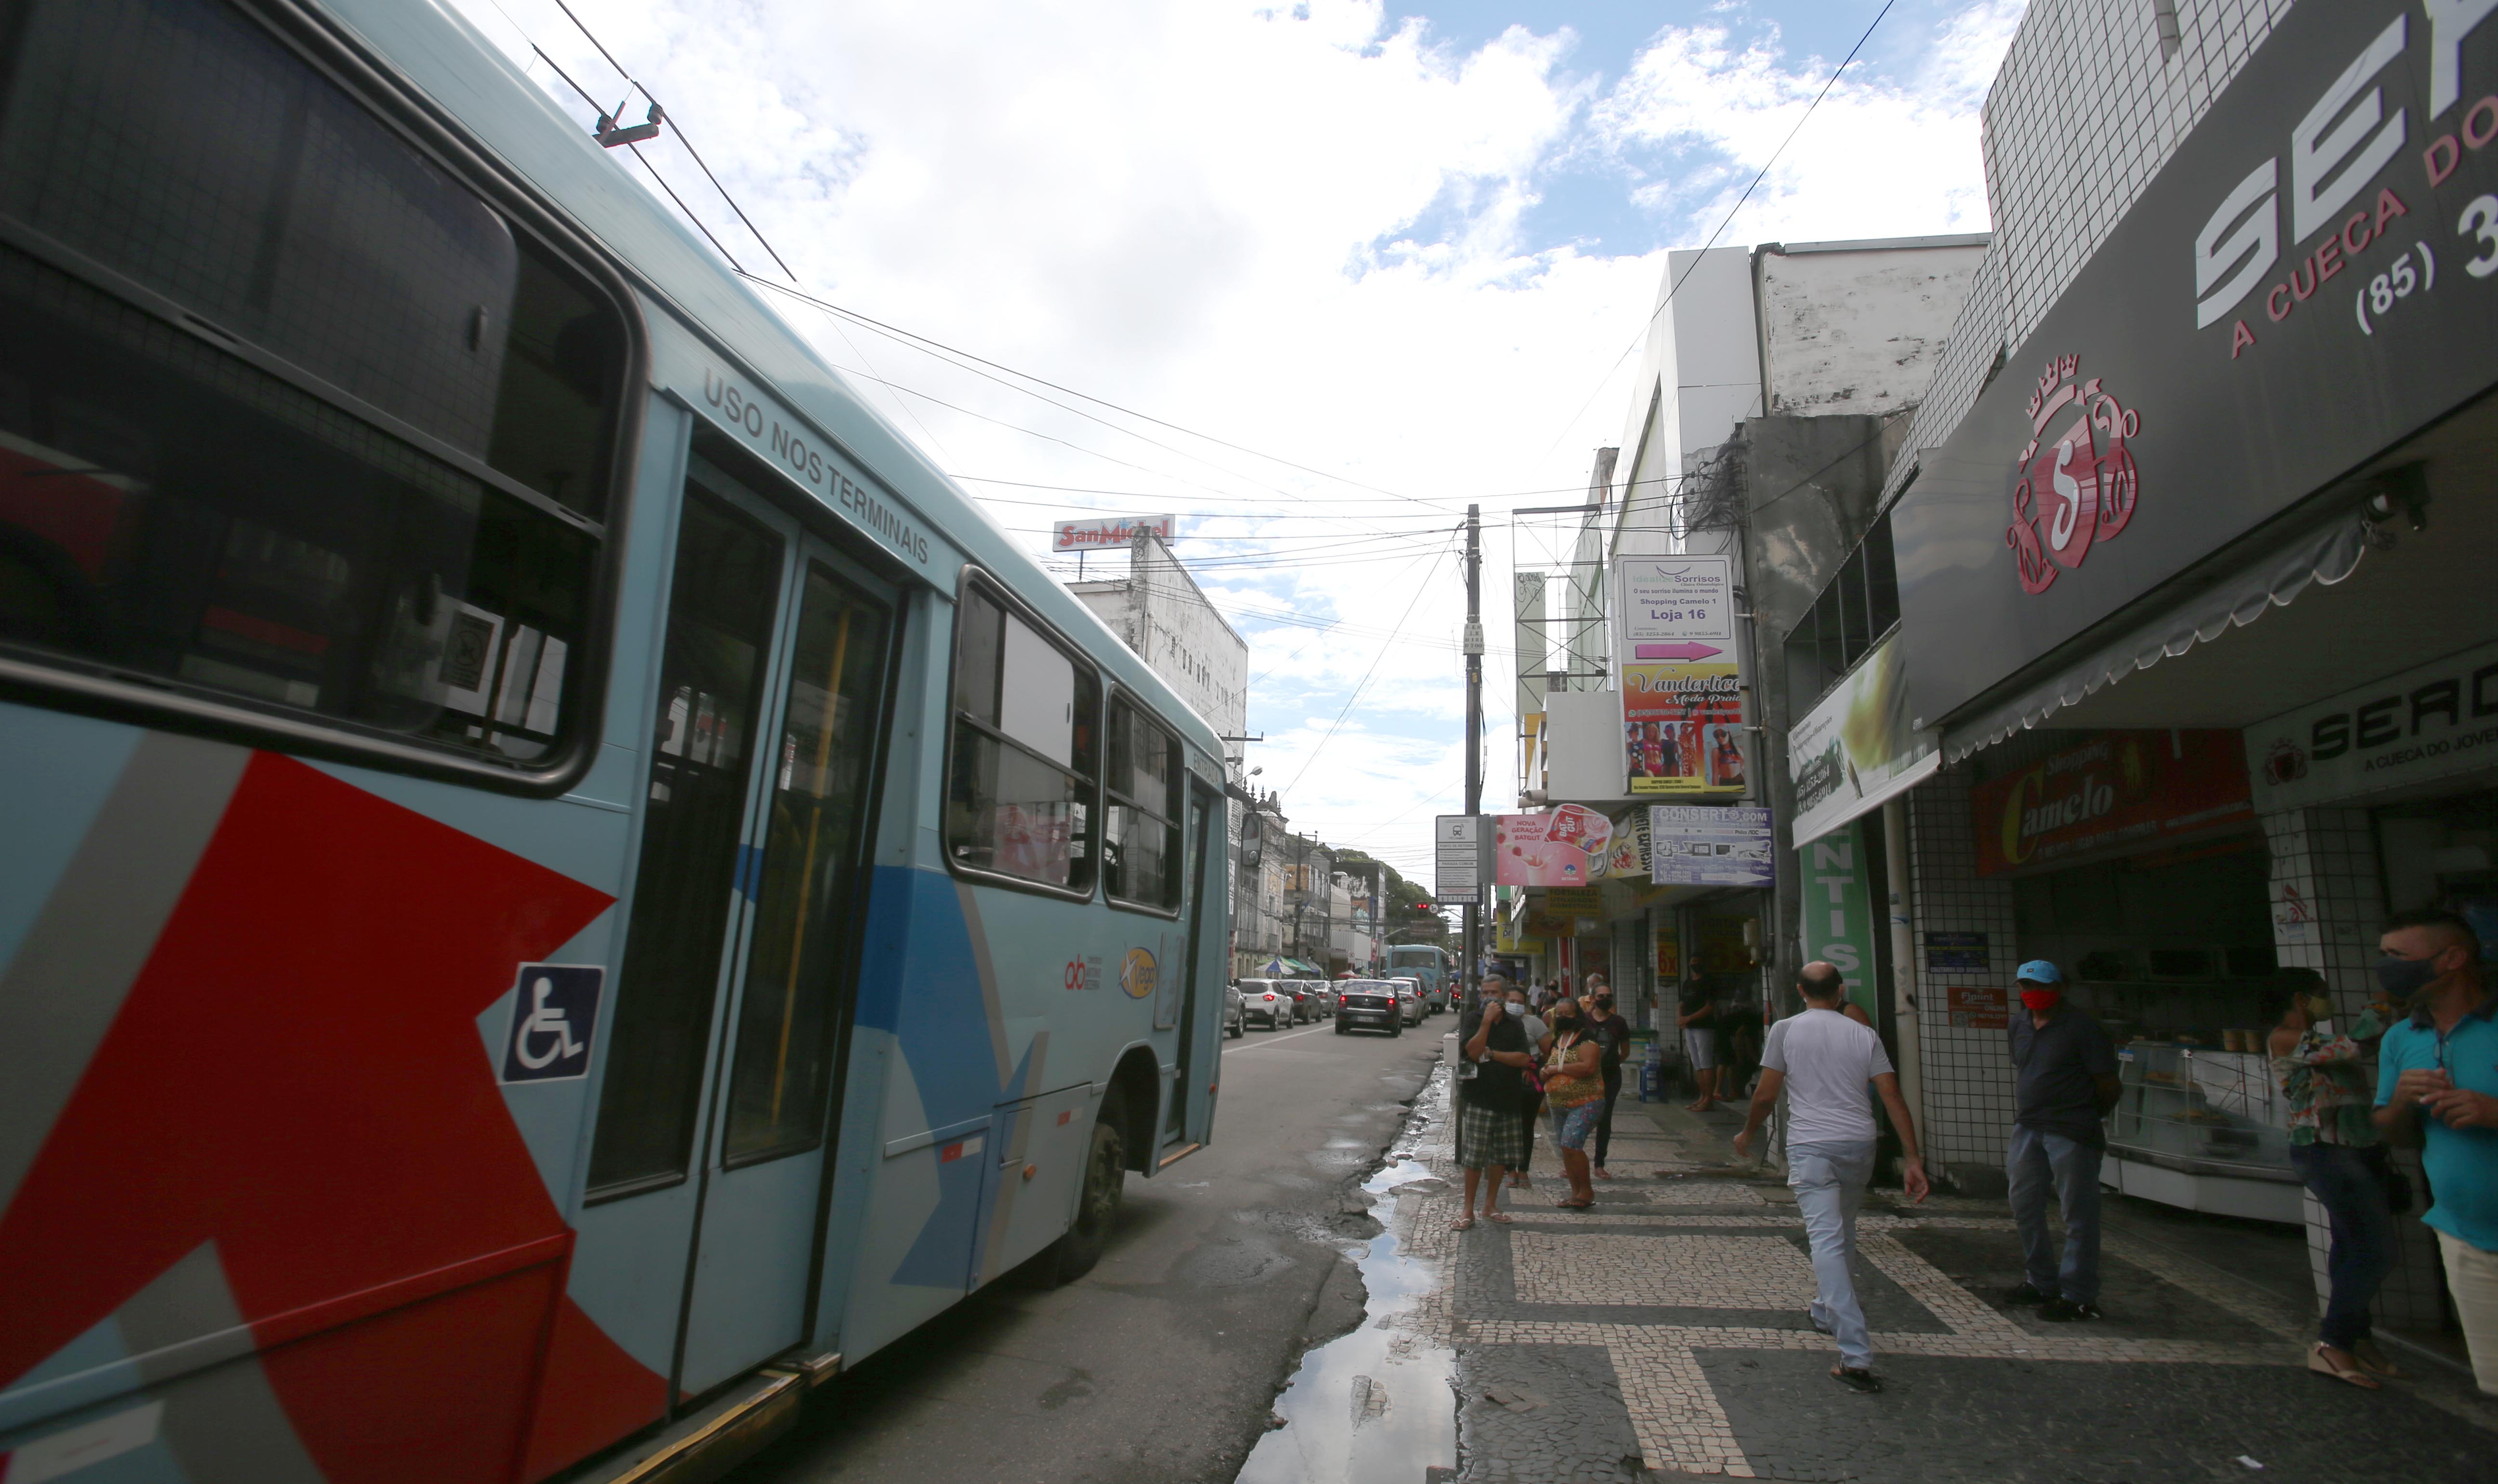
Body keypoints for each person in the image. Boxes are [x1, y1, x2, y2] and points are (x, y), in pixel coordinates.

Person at [1734, 962, 1928, 1393]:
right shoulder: (1863, 1034)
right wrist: (1913, 1157)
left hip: (1812, 1145)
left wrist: (1749, 1132)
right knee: (1845, 1230)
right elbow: (1891, 1094)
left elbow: (1766, 1094)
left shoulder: (1786, 1030)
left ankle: (1855, 1350)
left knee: (1825, 1239)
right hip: (1860, 1144)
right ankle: (1824, 1310)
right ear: (1839, 992)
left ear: (1801, 991)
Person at [2374, 908, 2498, 1396]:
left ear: (2453, 958)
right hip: (2464, 1236)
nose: (2387, 967)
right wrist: (2401, 1102)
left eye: (2398, 955)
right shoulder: (2402, 1038)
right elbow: (2395, 1133)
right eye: (2383, 955)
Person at [2267, 969, 2399, 1387]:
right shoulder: (2284, 1038)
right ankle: (2334, 1342)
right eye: (2322, 995)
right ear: (2302, 999)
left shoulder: (2313, 1041)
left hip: (2357, 1149)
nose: (2328, 1002)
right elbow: (2354, 1046)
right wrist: (2382, 1002)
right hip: (2323, 1149)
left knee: (2352, 1242)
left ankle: (2356, 1337)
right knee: (2375, 1249)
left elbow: (2359, 1047)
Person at [2004, 961, 2120, 1322]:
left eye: (2039, 985)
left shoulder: (2084, 1028)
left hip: (2071, 1130)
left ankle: (2079, 1294)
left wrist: (2086, 1115)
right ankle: (2040, 1281)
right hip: (2029, 1126)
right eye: (2025, 985)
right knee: (2024, 1204)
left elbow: (2108, 1084)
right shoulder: (2019, 1024)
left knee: (2078, 1213)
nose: (2031, 992)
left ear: (2060, 987)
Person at [1456, 976, 1534, 1229]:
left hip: (1509, 1098)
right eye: (1484, 993)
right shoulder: (1474, 1019)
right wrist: (1487, 1022)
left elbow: (1524, 1059)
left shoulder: (1515, 1024)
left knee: (1500, 1157)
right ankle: (1468, 1209)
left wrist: (1495, 1054)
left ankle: (1490, 1205)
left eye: (1494, 993)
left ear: (1504, 996)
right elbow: (1474, 1053)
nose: (1489, 997)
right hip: (1479, 1097)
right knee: (1474, 1156)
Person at [1540, 996, 1608, 1209]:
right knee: (1566, 1148)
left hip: (1586, 1102)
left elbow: (1587, 1067)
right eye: (1558, 1014)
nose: (1562, 1018)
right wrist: (1545, 1072)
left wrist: (1557, 1069)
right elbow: (1550, 1065)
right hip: (1559, 1105)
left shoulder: (1587, 1040)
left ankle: (1586, 1191)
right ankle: (1575, 1192)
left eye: (1567, 1014)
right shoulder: (1558, 1040)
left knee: (1571, 1143)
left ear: (1577, 1015)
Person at [1504, 984, 1550, 1190]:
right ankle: (1509, 1171)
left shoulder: (1535, 1024)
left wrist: (1535, 1071)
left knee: (1526, 1127)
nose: (1515, 1006)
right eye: (1511, 1002)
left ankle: (1523, 1170)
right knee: (1505, 1127)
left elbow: (1548, 1052)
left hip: (1528, 1083)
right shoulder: (1496, 1023)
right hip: (1503, 1082)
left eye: (1519, 1003)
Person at [1586, 986, 1633, 1179]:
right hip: (1586, 1076)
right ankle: (1573, 1161)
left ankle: (1599, 1163)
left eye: (1608, 996)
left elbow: (1625, 1051)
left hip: (1611, 1076)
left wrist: (1613, 1063)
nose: (1605, 999)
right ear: (1592, 998)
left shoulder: (1619, 1022)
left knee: (1604, 1119)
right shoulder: (1584, 1020)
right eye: (1601, 996)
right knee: (1580, 1118)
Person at [1679, 978, 1720, 1112]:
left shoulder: (1708, 983)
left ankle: (1709, 1099)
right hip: (1689, 1028)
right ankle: (1702, 1096)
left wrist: (1689, 1018)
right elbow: (1681, 1003)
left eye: (1697, 961)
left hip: (1704, 1027)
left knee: (1706, 1063)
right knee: (1697, 1064)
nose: (1694, 964)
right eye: (1693, 961)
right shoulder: (1688, 983)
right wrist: (1681, 1018)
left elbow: (1710, 1007)